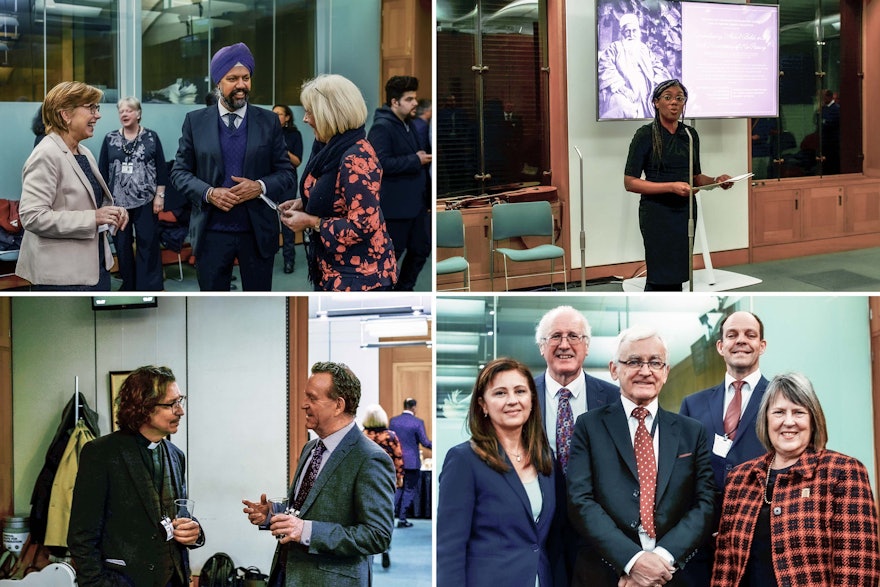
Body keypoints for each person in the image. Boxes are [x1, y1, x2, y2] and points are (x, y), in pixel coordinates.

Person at [567, 325, 715, 587]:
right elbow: (581, 501)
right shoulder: (589, 426)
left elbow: (704, 504)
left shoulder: (692, 432)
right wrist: (633, 561)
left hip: (672, 575)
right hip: (606, 575)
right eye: (634, 361)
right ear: (615, 369)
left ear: (666, 372)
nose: (645, 371)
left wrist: (660, 559)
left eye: (655, 363)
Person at [711, 372, 880, 587]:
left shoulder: (842, 472)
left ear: (813, 419)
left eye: (798, 412)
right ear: (766, 419)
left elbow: (858, 572)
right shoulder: (739, 479)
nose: (788, 422)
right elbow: (724, 569)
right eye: (779, 412)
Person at [242, 362, 395, 587]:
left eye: (312, 398)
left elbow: (377, 535)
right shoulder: (310, 448)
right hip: (287, 575)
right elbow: (306, 509)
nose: (304, 404)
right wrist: (273, 516)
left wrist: (306, 530)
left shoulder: (370, 458)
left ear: (338, 405)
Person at [170, 42, 295, 291]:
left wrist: (259, 187)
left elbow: (287, 173)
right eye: (233, 78)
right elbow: (179, 172)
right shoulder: (195, 122)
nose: (241, 85)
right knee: (212, 306)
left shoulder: (269, 121)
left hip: (257, 232)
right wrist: (209, 193)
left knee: (258, 303)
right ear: (218, 82)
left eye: (246, 78)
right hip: (211, 233)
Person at [68, 366, 204, 586]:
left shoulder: (176, 456)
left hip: (174, 579)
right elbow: (81, 537)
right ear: (144, 408)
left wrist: (194, 532)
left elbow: (177, 514)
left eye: (180, 401)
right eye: (171, 404)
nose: (181, 411)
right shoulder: (101, 454)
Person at [437, 358, 558, 587]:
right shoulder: (464, 460)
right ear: (483, 404)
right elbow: (449, 549)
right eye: (500, 393)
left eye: (520, 391)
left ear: (531, 399)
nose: (512, 400)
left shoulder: (545, 457)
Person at [278, 74, 397, 291]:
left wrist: (310, 221)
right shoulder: (327, 147)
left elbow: (363, 226)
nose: (305, 119)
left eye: (309, 112)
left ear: (329, 114)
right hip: (332, 267)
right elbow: (335, 196)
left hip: (360, 275)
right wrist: (304, 203)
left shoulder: (356, 157)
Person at [678, 311, 769, 587]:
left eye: (750, 335)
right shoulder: (693, 405)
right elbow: (682, 474)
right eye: (732, 335)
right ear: (720, 346)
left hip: (760, 538)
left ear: (762, 345)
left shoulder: (779, 399)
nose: (741, 341)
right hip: (704, 544)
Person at [533, 305, 618, 583]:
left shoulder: (615, 399)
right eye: (555, 336)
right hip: (539, 531)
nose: (565, 344)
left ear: (587, 346)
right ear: (541, 347)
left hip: (598, 534)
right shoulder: (523, 396)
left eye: (574, 336)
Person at [16, 81, 129, 290]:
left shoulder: (84, 152)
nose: (97, 115)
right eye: (91, 108)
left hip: (94, 268)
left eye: (97, 108)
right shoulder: (46, 154)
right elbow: (32, 216)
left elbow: (87, 203)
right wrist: (93, 217)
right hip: (62, 277)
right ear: (66, 115)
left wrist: (112, 213)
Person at [624, 79, 733, 291]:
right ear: (656, 102)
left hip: (685, 212)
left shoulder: (690, 135)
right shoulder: (645, 135)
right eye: (668, 98)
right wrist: (670, 187)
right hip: (657, 212)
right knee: (659, 275)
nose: (674, 103)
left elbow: (696, 177)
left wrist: (717, 181)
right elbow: (630, 182)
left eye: (679, 98)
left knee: (678, 273)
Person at [367, 75, 432, 291]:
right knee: (392, 256)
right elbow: (380, 164)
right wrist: (416, 160)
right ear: (395, 102)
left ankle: (404, 288)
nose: (415, 103)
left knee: (421, 249)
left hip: (416, 204)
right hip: (395, 207)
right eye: (409, 99)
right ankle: (387, 292)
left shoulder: (408, 124)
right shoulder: (382, 127)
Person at [99, 96, 168, 291]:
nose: (124, 114)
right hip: (118, 203)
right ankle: (129, 284)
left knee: (148, 242)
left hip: (146, 200)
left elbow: (162, 169)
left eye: (129, 110)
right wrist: (104, 203)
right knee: (122, 246)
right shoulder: (110, 138)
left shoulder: (151, 137)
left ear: (138, 114)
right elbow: (102, 170)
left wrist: (159, 196)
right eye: (121, 111)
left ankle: (149, 285)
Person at [598, 13, 670, 119]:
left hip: (647, 92)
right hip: (623, 90)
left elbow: (658, 67)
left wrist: (655, 85)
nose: (631, 34)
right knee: (620, 108)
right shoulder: (615, 47)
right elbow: (605, 66)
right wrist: (622, 88)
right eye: (628, 31)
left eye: (634, 30)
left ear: (639, 32)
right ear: (622, 32)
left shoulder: (644, 49)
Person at [362, 404, 404, 569]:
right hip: (385, 482)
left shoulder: (362, 435)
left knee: (365, 516)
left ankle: (367, 550)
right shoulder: (390, 436)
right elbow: (398, 458)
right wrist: (399, 478)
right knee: (386, 515)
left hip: (365, 481)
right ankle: (385, 547)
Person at [389, 398, 432, 528]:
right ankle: (402, 519)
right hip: (412, 462)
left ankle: (389, 517)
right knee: (409, 490)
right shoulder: (417, 422)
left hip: (396, 461)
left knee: (398, 489)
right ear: (414, 407)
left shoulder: (393, 421)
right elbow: (425, 442)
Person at [273, 104, 304, 274]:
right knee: (267, 223)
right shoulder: (266, 134)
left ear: (287, 118)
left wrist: (282, 146)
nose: (276, 117)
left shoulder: (294, 135)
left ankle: (289, 260)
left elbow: (297, 161)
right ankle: (267, 258)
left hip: (288, 181)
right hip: (269, 182)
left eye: (279, 114)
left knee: (287, 222)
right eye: (273, 114)